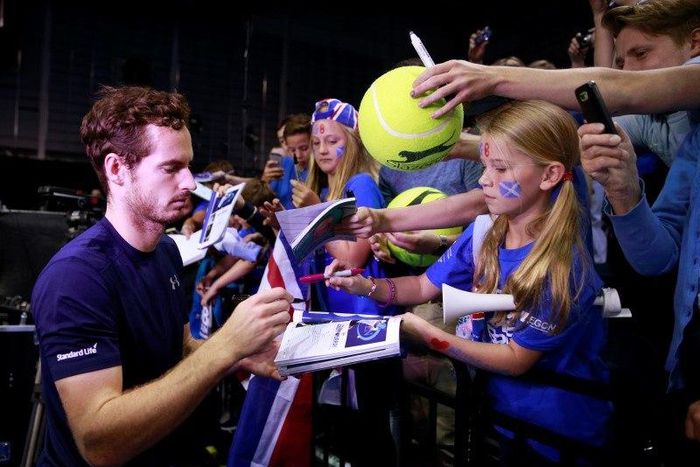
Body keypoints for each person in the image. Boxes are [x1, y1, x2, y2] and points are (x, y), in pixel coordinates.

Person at [329, 100, 612, 465]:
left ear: (550, 175)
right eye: (485, 166)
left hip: (562, 438)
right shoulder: (488, 233)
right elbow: (420, 287)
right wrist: (364, 286)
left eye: (500, 168)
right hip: (502, 424)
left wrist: (429, 335)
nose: (483, 179)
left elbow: (515, 360)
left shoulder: (563, 266)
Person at [31, 86, 292, 466]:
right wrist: (224, 348)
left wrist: (239, 355)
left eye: (188, 165)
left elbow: (180, 347)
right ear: (117, 169)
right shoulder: (75, 279)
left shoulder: (165, 251)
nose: (189, 182)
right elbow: (99, 442)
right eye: (171, 168)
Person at [579, 120, 700, 464]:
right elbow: (657, 257)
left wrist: (496, 79)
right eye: (620, 62)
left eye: (640, 60)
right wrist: (623, 191)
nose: (629, 71)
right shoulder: (696, 140)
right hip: (684, 359)